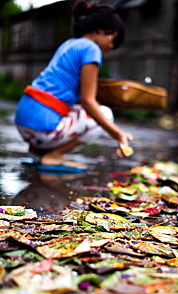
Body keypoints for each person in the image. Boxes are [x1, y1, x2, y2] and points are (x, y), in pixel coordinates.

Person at [15, 0, 133, 172]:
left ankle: (41, 150)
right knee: (105, 114)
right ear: (100, 29)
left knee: (94, 111)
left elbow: (74, 95)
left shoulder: (69, 44)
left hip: (24, 120)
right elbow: (88, 101)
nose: (112, 45)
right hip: (41, 126)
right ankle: (53, 155)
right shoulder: (91, 49)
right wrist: (118, 134)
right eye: (112, 38)